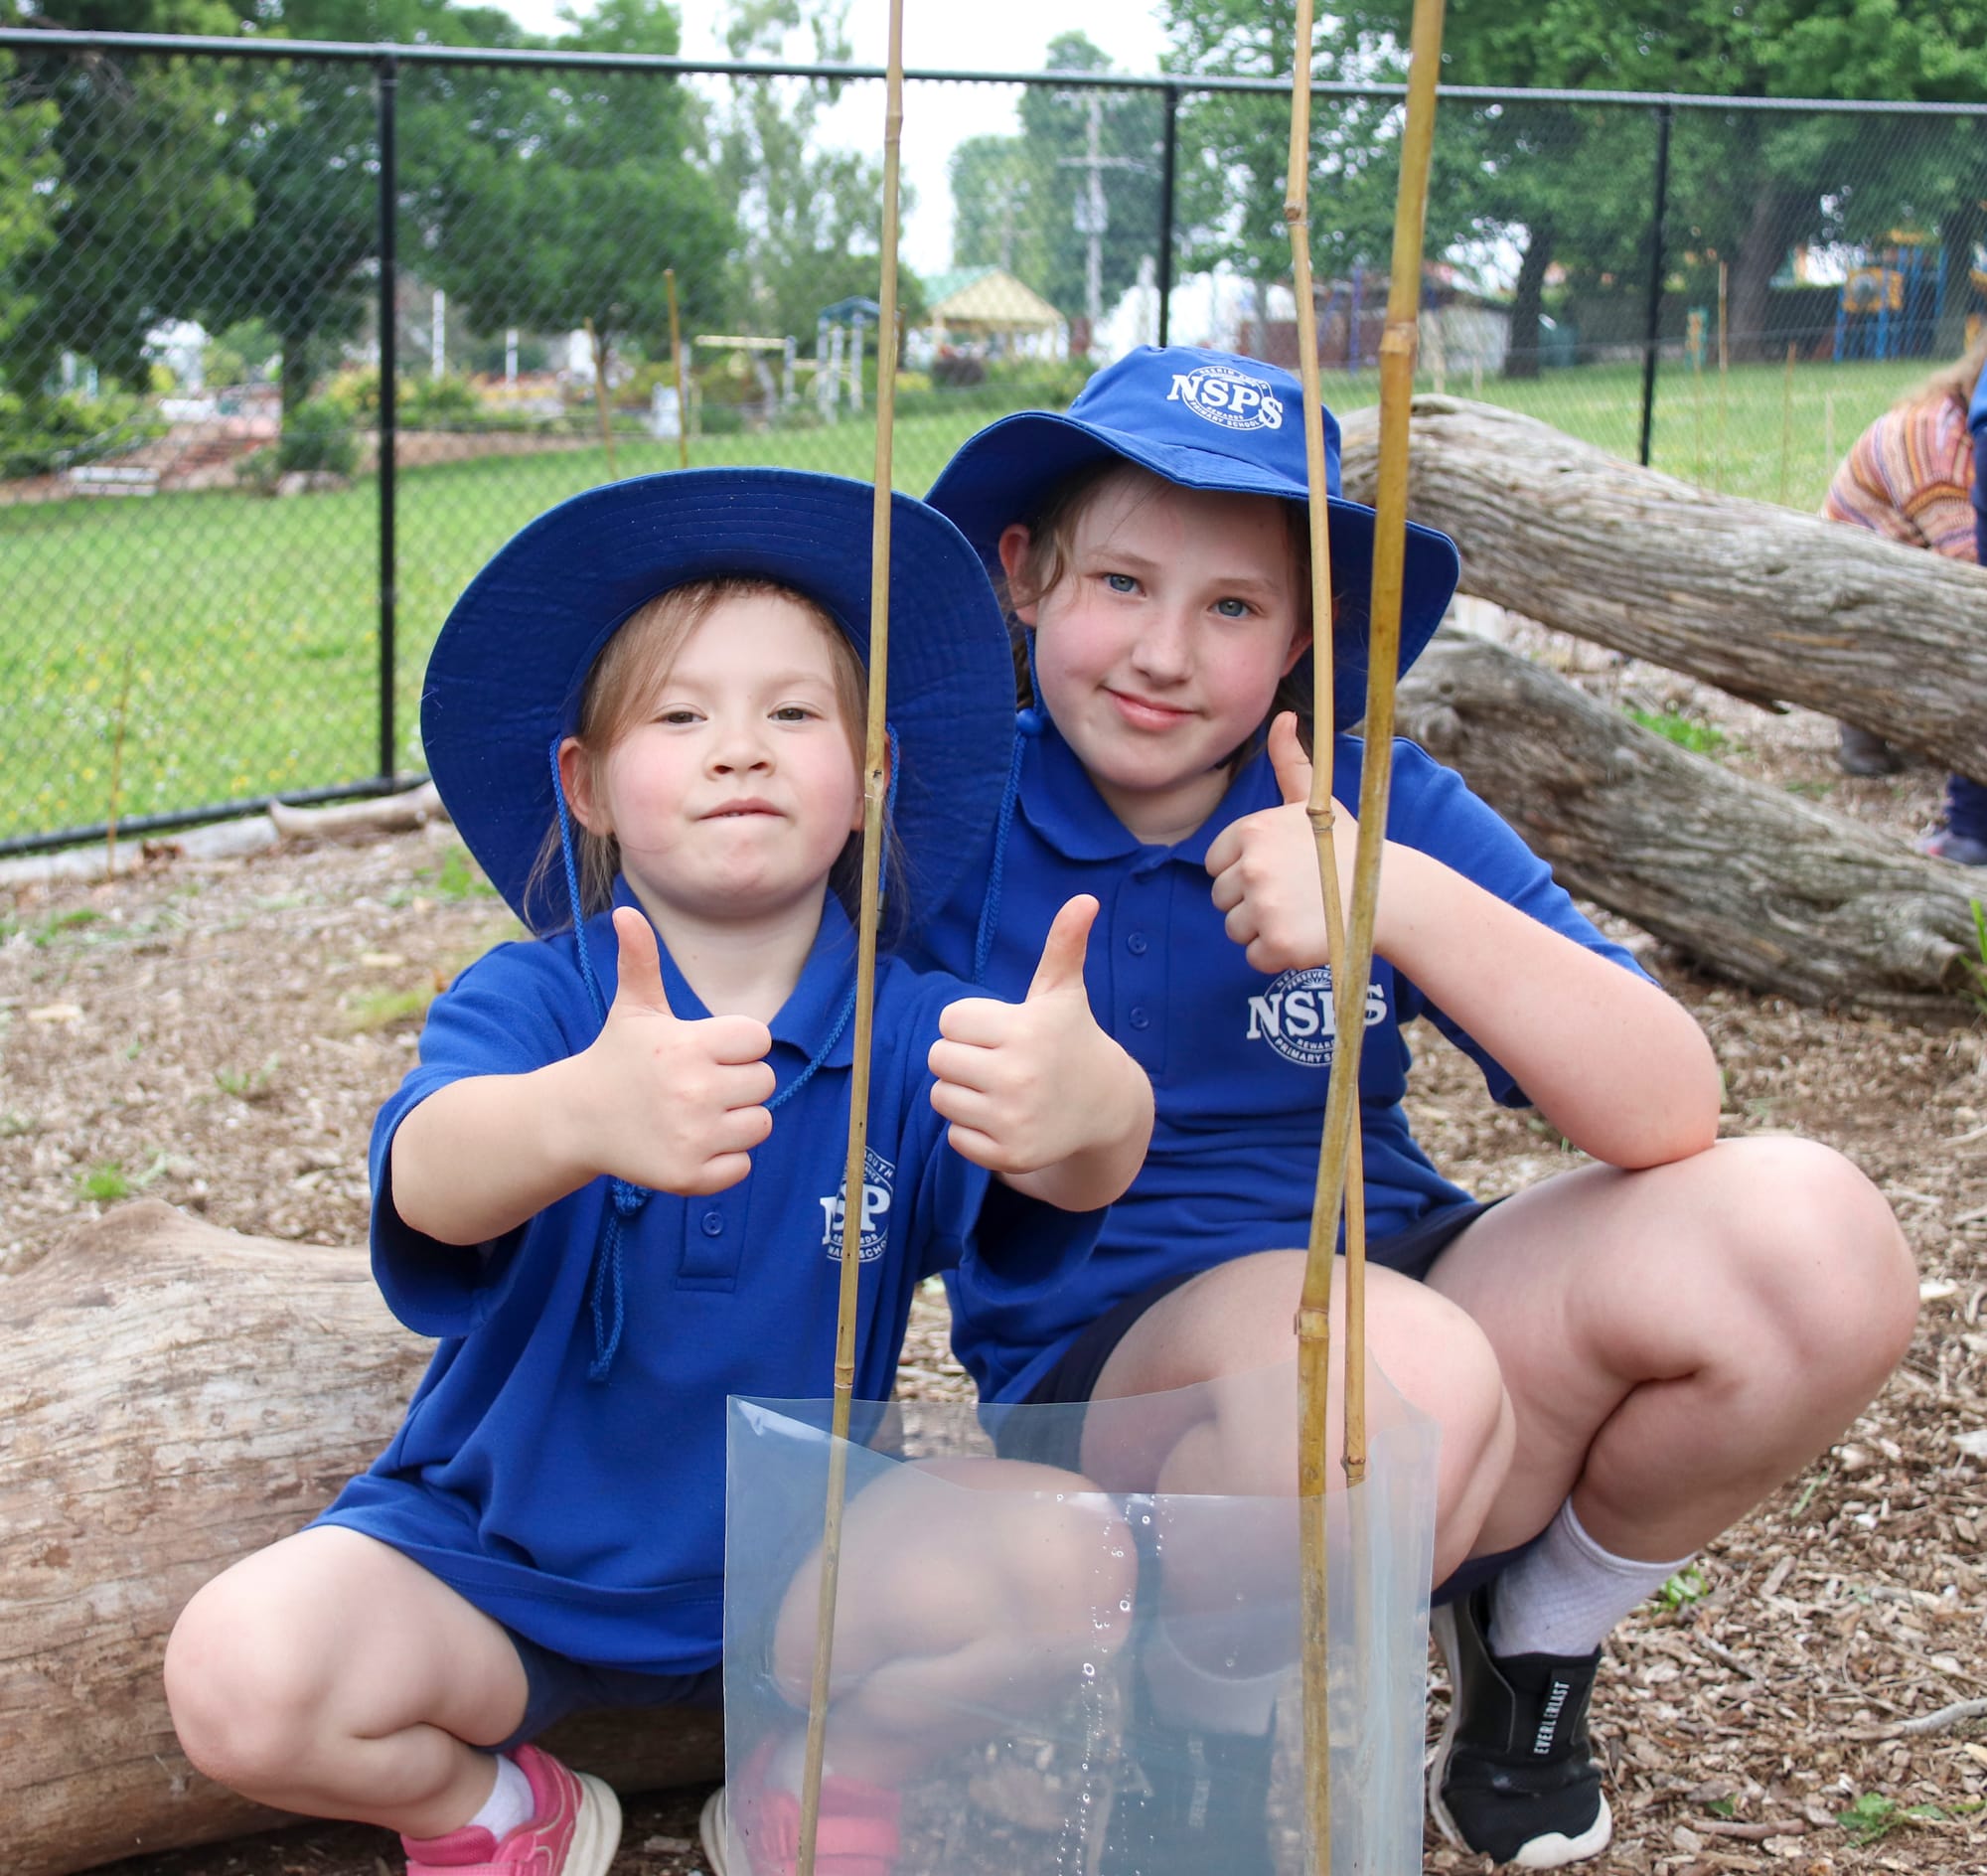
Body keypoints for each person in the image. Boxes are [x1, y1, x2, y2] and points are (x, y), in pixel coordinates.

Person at [911, 346, 1918, 1871]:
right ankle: (1197, 1744)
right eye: (1121, 582)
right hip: (1130, 1406)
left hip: (1415, 1329)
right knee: (1381, 1390)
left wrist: (1395, 897)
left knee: (1813, 1240)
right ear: (1027, 576)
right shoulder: (946, 817)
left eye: (1235, 607)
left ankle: (1537, 1637)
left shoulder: (1373, 796)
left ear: (1307, 636)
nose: (1166, 653)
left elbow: (1668, 1108)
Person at [162, 469, 1153, 1876]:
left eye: (793, 712)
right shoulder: (538, 1003)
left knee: (1070, 1555)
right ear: (588, 785)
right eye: (680, 716)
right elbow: (427, 1179)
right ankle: (505, 1817)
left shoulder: (913, 1027)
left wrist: (1095, 1105)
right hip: (497, 1574)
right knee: (237, 1673)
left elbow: (1073, 1174)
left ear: (872, 777)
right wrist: (575, 1116)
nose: (737, 748)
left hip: (813, 1574)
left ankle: (819, 1773)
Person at [1820, 328, 1987, 867]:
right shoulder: (1934, 444)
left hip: (1886, 579)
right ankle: (1865, 719)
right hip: (1850, 598)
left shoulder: (1951, 422)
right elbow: (1968, 570)